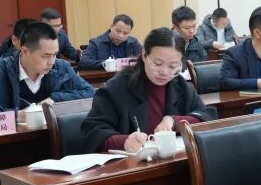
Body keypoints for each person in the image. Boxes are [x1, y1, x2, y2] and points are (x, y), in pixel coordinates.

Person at [82, 28, 216, 153]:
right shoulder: (116, 88)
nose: (164, 72)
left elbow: (207, 117)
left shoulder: (180, 86)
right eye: (157, 64)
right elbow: (92, 132)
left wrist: (174, 121)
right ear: (144, 55)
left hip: (175, 161)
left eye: (173, 66)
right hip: (132, 165)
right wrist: (124, 141)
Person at [0, 22, 95, 120]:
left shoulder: (61, 68)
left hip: (54, 139)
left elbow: (91, 93)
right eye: (45, 56)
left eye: (54, 55)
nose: (51, 62)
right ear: (25, 51)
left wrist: (55, 99)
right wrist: (17, 115)